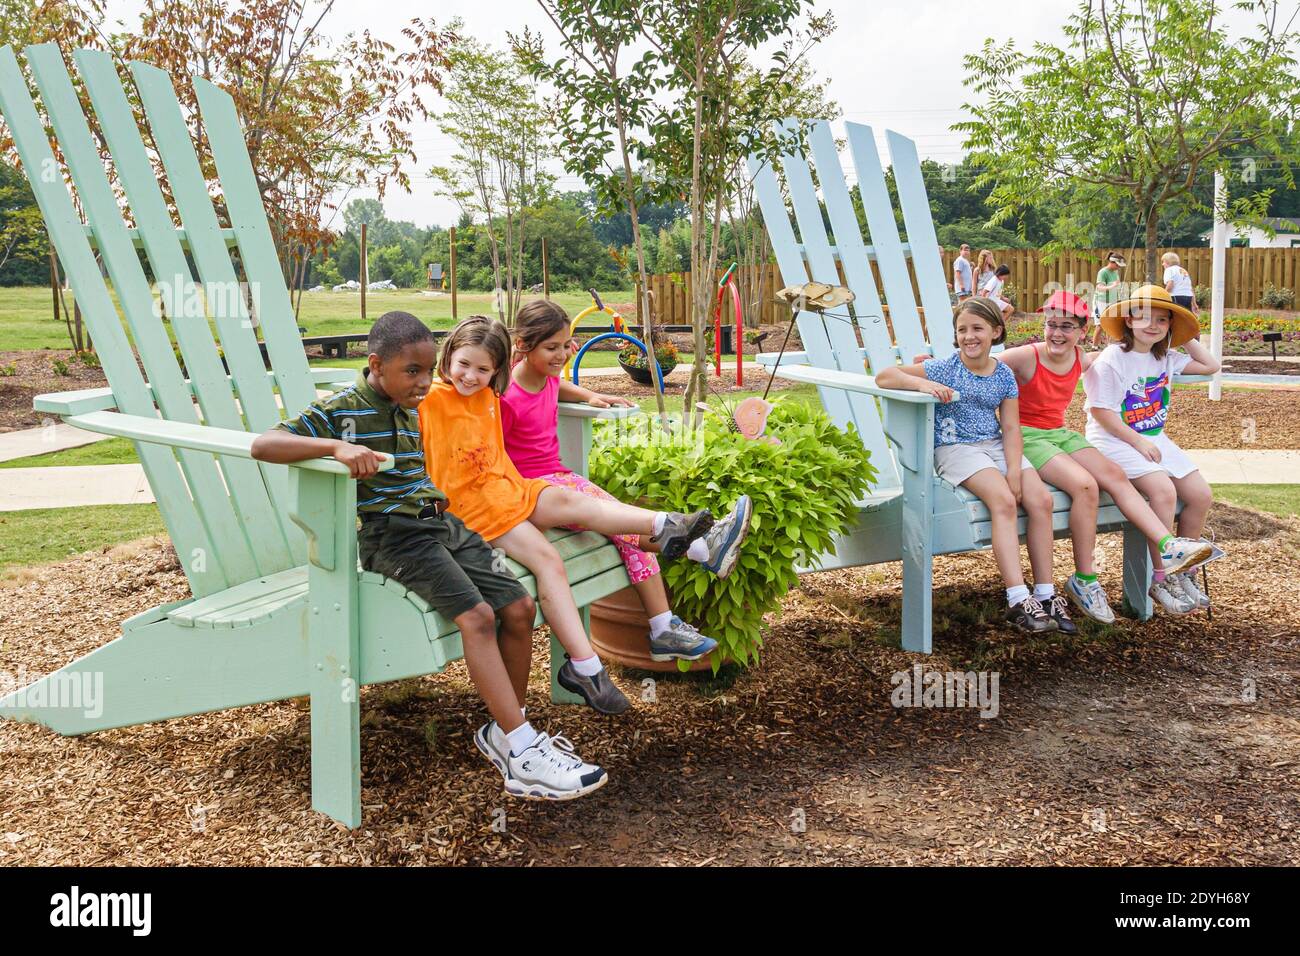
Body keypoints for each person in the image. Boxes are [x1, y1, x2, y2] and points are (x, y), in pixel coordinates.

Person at [250, 311, 609, 801]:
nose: (424, 382)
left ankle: (507, 734)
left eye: (427, 370)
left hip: (443, 525)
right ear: (375, 364)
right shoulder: (345, 409)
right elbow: (264, 443)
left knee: (520, 607)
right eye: (412, 372)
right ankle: (525, 751)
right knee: (478, 617)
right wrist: (334, 447)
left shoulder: (413, 403)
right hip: (395, 539)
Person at [418, 315, 753, 719]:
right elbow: (387, 400)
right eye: (464, 364)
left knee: (574, 507)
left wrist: (590, 395)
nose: (471, 376)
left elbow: (548, 389)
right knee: (551, 556)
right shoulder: (431, 398)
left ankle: (587, 662)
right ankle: (692, 545)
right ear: (448, 356)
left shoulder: (490, 397)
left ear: (497, 371)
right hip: (473, 512)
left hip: (509, 492)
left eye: (483, 369)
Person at [500, 300, 720, 664]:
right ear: (523, 345)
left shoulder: (545, 376)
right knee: (621, 518)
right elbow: (497, 455)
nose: (562, 354)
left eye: (566, 344)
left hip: (561, 479)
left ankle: (663, 624)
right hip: (536, 489)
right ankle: (701, 549)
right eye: (552, 347)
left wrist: (589, 395)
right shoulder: (508, 396)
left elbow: (557, 385)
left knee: (625, 532)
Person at [997, 290, 1216, 621]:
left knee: (1116, 478)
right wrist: (936, 366)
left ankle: (1171, 554)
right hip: (1028, 435)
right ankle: (1093, 577)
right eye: (1051, 324)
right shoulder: (1027, 355)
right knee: (1089, 485)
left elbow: (1207, 365)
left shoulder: (1085, 357)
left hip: (1060, 433)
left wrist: (1185, 331)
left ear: (1082, 331)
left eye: (1067, 326)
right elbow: (985, 362)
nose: (1057, 332)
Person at [876, 297, 1066, 634]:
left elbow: (1010, 428)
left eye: (977, 328)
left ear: (995, 331)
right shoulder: (944, 368)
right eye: (962, 330)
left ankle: (1046, 594)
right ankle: (1017, 599)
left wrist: (1014, 469)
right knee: (1004, 501)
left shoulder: (1004, 374)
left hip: (993, 445)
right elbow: (884, 376)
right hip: (955, 448)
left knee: (1042, 500)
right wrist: (923, 383)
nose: (969, 336)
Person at [1083, 285, 1221, 613]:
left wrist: (1183, 333)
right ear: (1128, 321)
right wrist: (1138, 442)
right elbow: (1100, 412)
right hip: (1114, 440)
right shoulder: (1112, 359)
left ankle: (1182, 572)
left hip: (1154, 439)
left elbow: (1210, 365)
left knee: (1200, 495)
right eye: (1144, 316)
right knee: (1163, 491)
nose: (1153, 325)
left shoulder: (1165, 357)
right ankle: (1161, 578)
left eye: (1162, 320)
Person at [1091, 252, 1125, 346]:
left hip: (1112, 300)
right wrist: (1112, 286)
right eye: (1118, 265)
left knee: (1110, 324)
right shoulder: (1103, 272)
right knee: (1100, 325)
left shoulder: (1115, 272)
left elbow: (1116, 285)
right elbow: (1100, 287)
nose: (1119, 267)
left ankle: (1109, 346)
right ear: (1112, 262)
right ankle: (1095, 347)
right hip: (1101, 301)